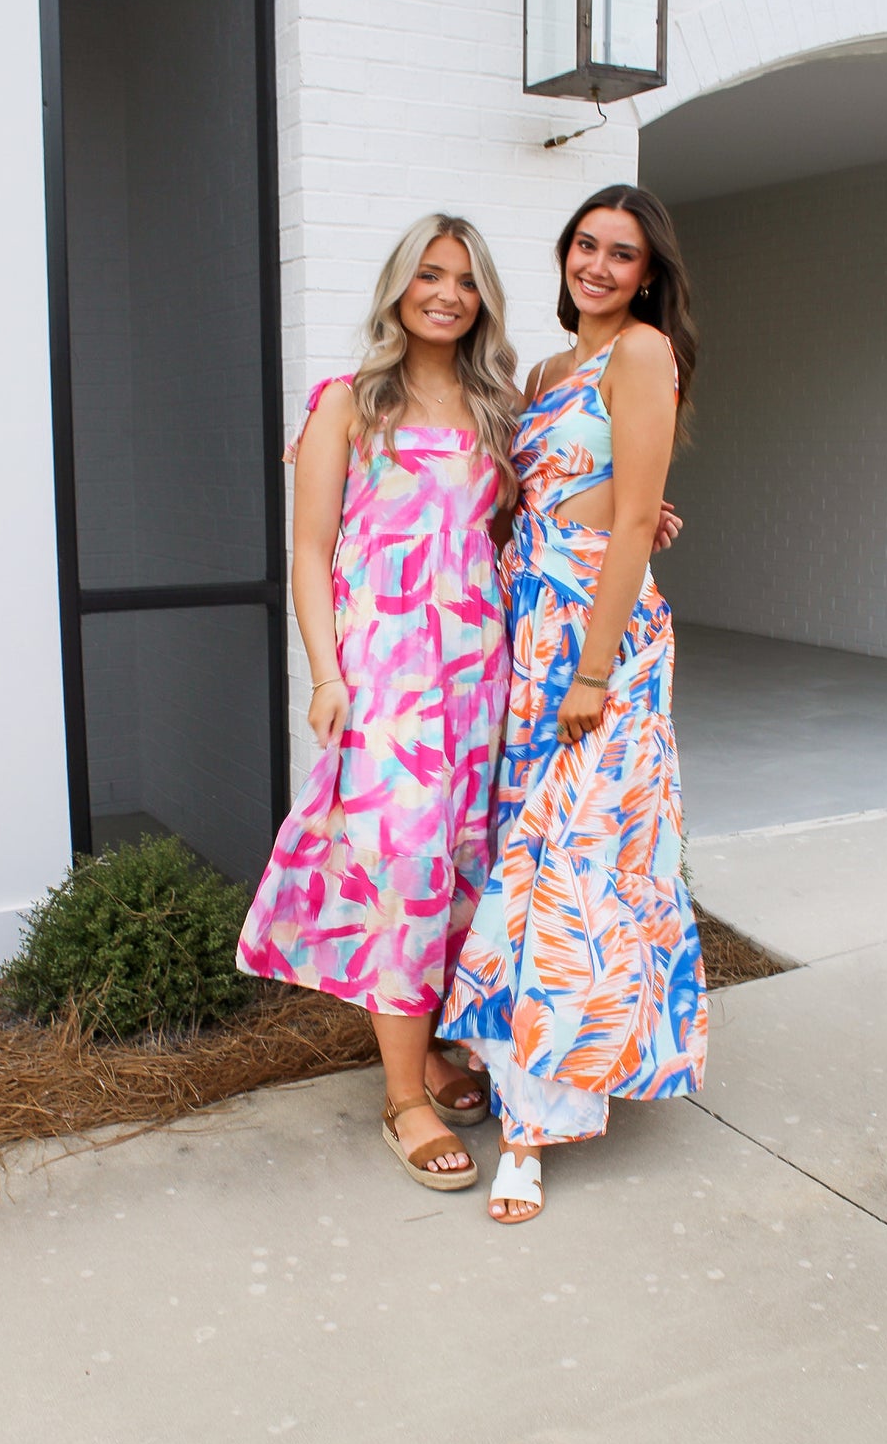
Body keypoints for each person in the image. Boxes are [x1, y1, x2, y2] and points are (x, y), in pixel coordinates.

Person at [438, 185, 709, 1224]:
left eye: (622, 254)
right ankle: (524, 1071)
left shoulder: (641, 352)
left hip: (603, 645)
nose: (598, 265)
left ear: (648, 274)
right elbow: (552, 490)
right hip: (530, 626)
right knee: (528, 854)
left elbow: (633, 513)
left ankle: (531, 1134)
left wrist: (592, 672)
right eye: (586, 246)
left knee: (581, 872)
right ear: (565, 254)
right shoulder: (545, 370)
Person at [237, 214, 520, 1191]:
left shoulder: (496, 407)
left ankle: (428, 1053)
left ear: (483, 299)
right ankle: (403, 1098)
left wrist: (637, 511)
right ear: (400, 283)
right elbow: (308, 551)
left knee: (463, 870)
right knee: (402, 869)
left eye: (466, 280)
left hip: (484, 672)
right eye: (431, 275)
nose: (447, 293)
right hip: (389, 678)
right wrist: (325, 674)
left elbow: (533, 523)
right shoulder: (347, 404)